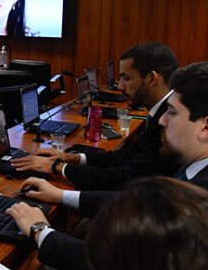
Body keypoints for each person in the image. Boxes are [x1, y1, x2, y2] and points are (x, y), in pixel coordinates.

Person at [7, 61, 208, 270]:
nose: (163, 121)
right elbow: (146, 207)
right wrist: (61, 196)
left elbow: (123, 267)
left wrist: (40, 230)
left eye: (173, 112)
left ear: (206, 127)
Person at [12, 42, 179, 190]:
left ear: (152, 78)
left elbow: (124, 179)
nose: (120, 86)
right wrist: (71, 158)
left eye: (126, 79)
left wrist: (57, 167)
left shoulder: (168, 123)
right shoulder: (162, 110)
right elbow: (126, 156)